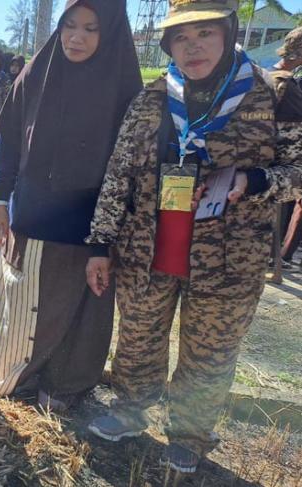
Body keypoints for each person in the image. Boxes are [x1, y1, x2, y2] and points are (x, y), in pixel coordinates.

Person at [85, 0, 302, 473]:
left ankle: (189, 432)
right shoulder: (153, 97)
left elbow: (299, 169)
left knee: (211, 351)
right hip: (147, 250)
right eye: (181, 37)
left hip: (229, 259)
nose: (193, 45)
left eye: (205, 32)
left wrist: (257, 180)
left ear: (227, 32)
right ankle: (129, 410)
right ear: (168, 44)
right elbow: (118, 176)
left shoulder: (275, 94)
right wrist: (101, 244)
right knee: (138, 339)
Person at [0, 0, 141, 410]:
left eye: (91, 29)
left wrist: (102, 243)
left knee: (79, 320)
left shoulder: (125, 86)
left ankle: (65, 392)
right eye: (70, 25)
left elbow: (131, 169)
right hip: (34, 223)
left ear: (109, 33)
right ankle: (18, 387)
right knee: (27, 315)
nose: (76, 37)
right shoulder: (38, 73)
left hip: (94, 230)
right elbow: (7, 144)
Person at [273, 26, 302, 266]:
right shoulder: (286, 85)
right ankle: (281, 255)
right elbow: (292, 139)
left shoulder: (263, 76)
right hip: (281, 169)